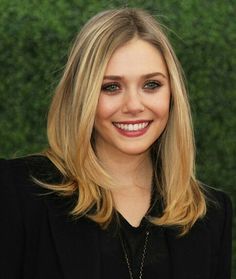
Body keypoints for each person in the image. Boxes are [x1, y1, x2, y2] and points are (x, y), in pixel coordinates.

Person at [0, 8, 232, 279]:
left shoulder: (210, 213)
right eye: (111, 87)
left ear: (172, 94)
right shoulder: (17, 192)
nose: (134, 106)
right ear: (82, 95)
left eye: (151, 85)